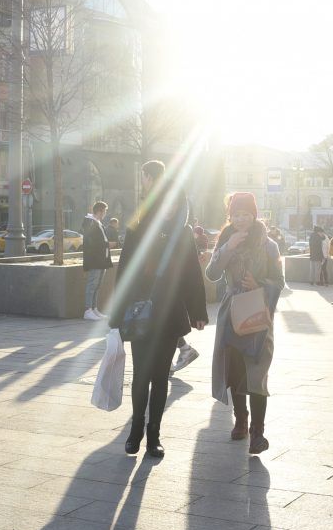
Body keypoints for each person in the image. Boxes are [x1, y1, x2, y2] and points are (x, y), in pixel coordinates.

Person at [107, 160, 208, 458]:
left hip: (170, 313)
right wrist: (117, 313)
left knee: (161, 377)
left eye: (175, 204)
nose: (170, 209)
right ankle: (136, 429)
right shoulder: (139, 228)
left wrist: (198, 310)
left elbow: (191, 273)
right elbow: (125, 269)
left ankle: (154, 435)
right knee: (141, 374)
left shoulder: (183, 232)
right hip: (141, 310)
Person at [206, 192, 284, 455]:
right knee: (236, 370)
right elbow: (213, 274)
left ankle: (258, 433)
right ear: (230, 215)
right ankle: (241, 420)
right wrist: (227, 248)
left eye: (246, 214)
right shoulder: (226, 240)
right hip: (231, 313)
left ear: (254, 214)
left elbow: (279, 280)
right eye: (236, 214)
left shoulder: (268, 244)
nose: (241, 219)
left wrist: (260, 285)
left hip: (258, 312)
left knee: (258, 372)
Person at [82, 201, 113, 321]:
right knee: (92, 284)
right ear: (99, 211)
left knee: (97, 285)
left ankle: (94, 309)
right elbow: (90, 243)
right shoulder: (90, 223)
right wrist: (106, 244)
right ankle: (88, 310)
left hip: (101, 260)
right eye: (104, 211)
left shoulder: (98, 223)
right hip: (95, 260)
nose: (105, 214)